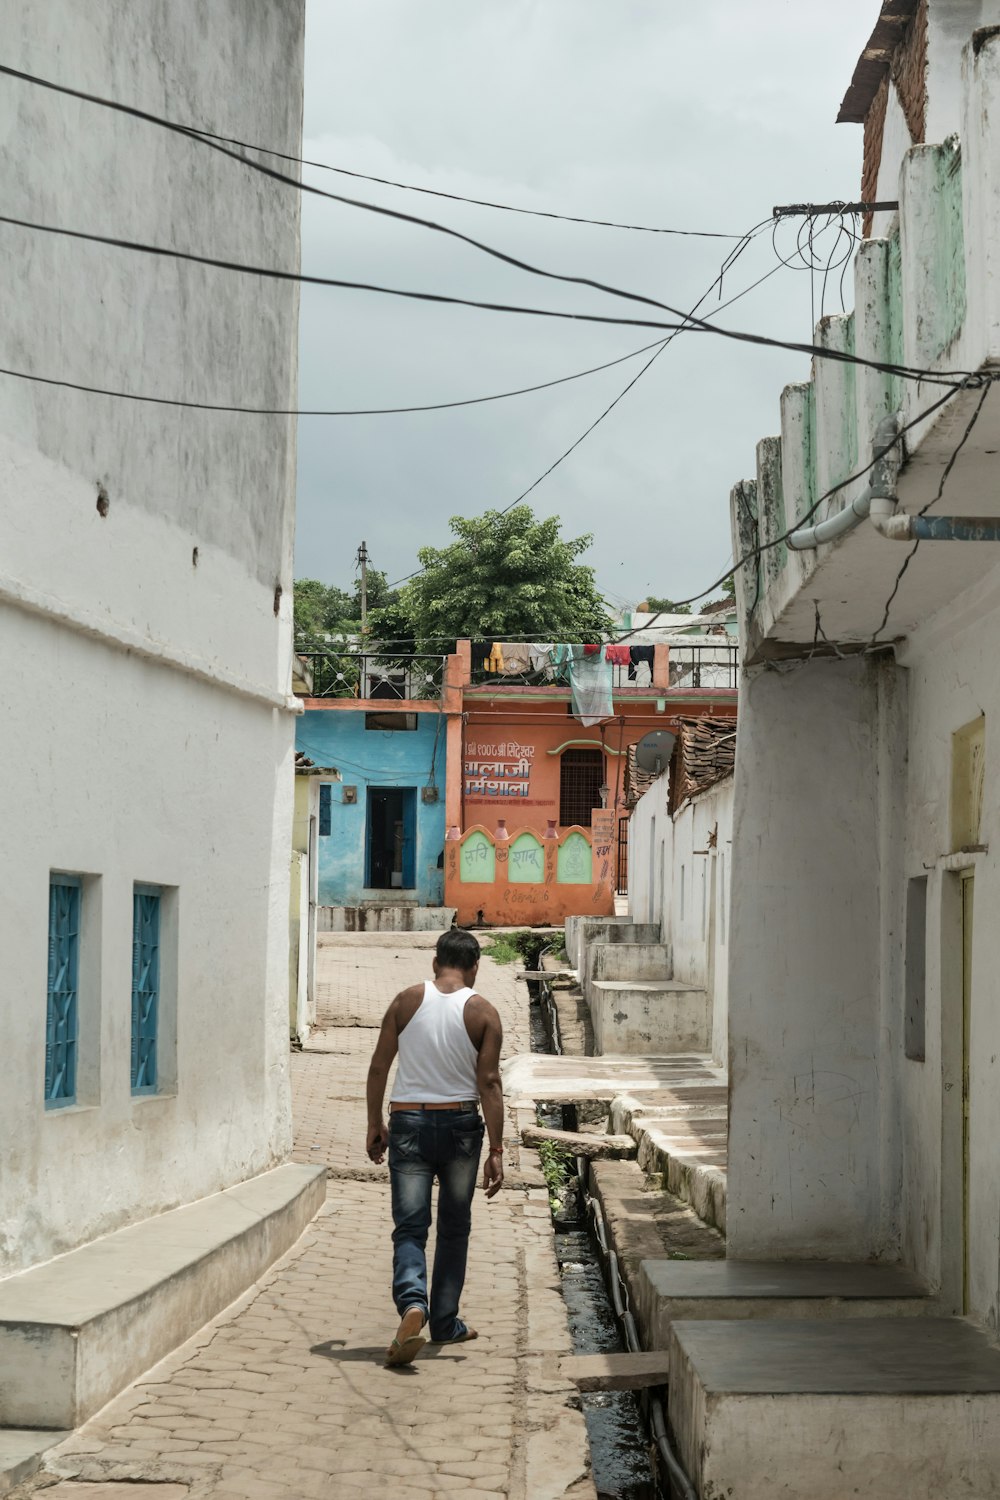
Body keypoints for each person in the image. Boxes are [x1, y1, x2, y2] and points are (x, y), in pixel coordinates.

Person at [365, 929, 504, 1367]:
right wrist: (497, 1149)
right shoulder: (484, 1012)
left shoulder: (406, 1001)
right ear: (475, 967)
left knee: (410, 1227)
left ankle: (413, 1305)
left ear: (435, 962)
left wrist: (375, 1123)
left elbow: (378, 1066)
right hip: (462, 1126)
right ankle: (445, 1321)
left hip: (408, 1121)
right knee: (454, 1227)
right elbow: (489, 1083)